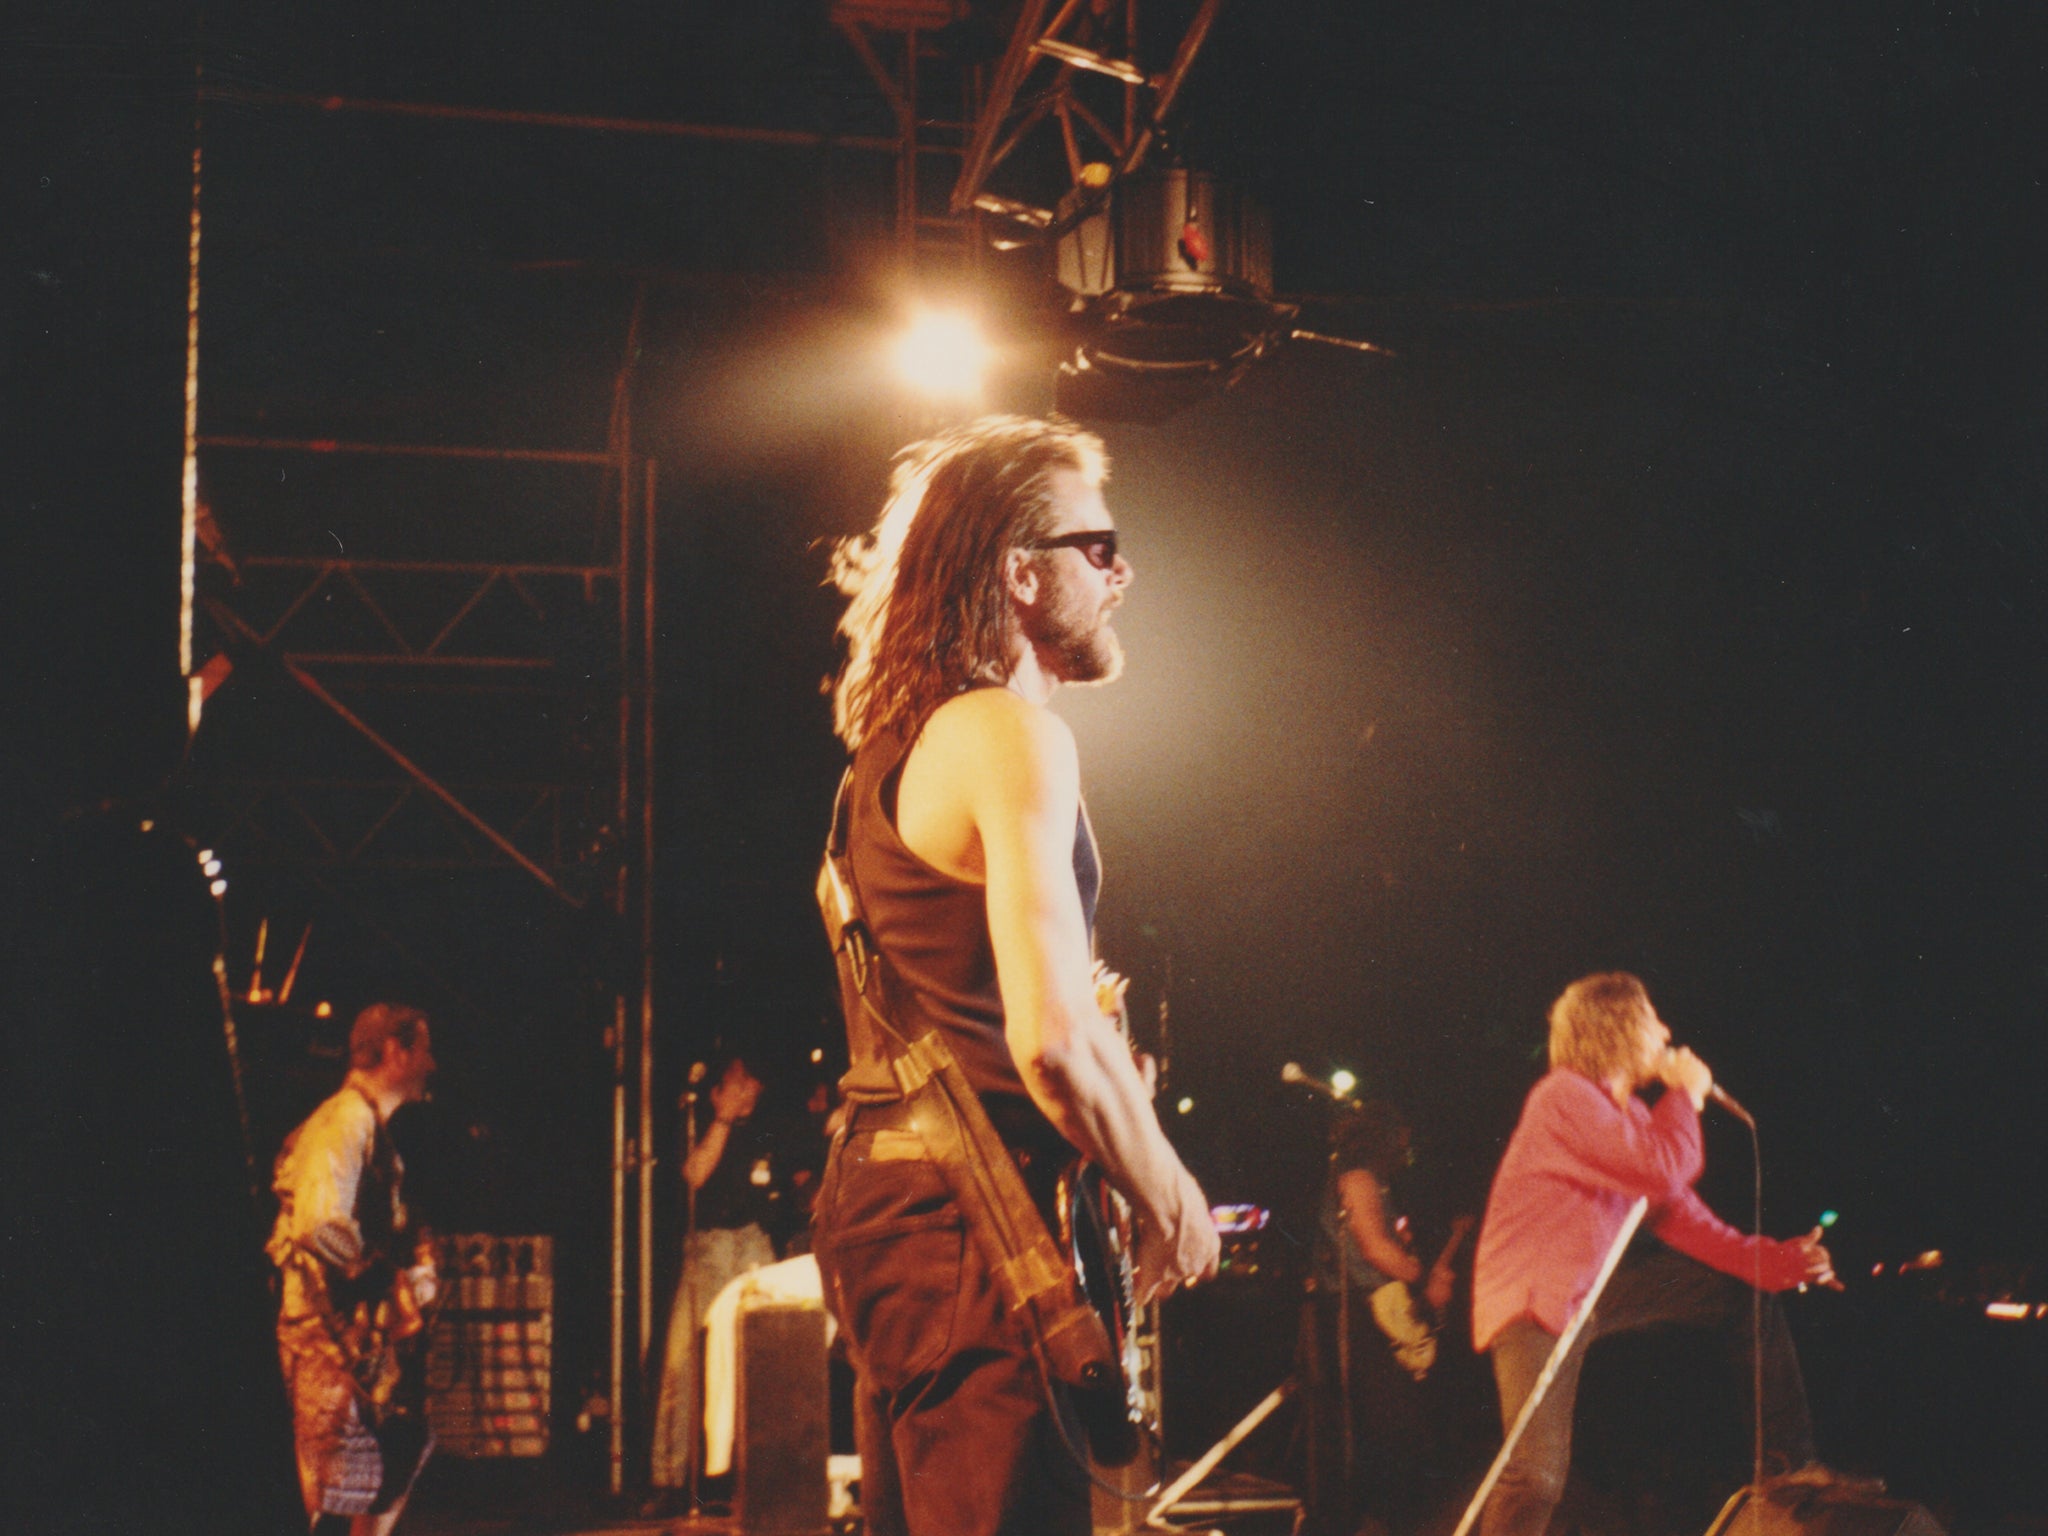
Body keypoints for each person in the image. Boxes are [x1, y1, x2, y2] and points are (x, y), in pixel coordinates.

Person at [811, 415, 1220, 1536]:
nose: (1121, 572)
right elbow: (1049, 1043)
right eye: (1099, 546)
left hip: (901, 1218)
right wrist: (1169, 1193)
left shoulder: (887, 754)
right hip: (976, 1233)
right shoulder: (1006, 734)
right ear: (1019, 572)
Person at [1471, 972, 1857, 1536]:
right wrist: (1687, 1093)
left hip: (1591, 1295)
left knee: (1736, 1292)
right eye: (1653, 1019)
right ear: (1618, 1028)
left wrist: (1786, 1261)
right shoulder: (1562, 1097)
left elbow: (1695, 1226)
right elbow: (1664, 1165)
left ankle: (1789, 1465)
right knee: (1536, 1476)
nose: (1667, 1031)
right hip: (1535, 1302)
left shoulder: (1630, 1123)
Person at [267, 1002, 440, 1536]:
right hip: (321, 1342)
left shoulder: (367, 1127)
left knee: (388, 1458)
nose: (431, 1065)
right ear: (394, 1050)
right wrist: (381, 1276)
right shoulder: (346, 1119)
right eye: (423, 1050)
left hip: (348, 1342)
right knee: (326, 1483)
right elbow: (320, 1224)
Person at [1305, 1101, 1470, 1536]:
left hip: (1366, 1309)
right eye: (1401, 1144)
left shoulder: (1370, 1183)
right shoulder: (1359, 1180)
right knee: (1390, 1425)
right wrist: (1420, 1279)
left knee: (1387, 1426)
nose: (1405, 1153)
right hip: (1361, 1313)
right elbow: (1375, 1250)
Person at [649, 1052, 780, 1496]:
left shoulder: (767, 1129)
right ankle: (669, 1479)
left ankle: (756, 1481)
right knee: (680, 1362)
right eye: (738, 1080)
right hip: (708, 1248)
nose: (748, 1088)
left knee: (761, 1364)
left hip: (752, 1246)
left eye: (752, 1082)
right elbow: (694, 1174)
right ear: (717, 1091)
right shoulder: (700, 1128)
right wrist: (722, 1120)